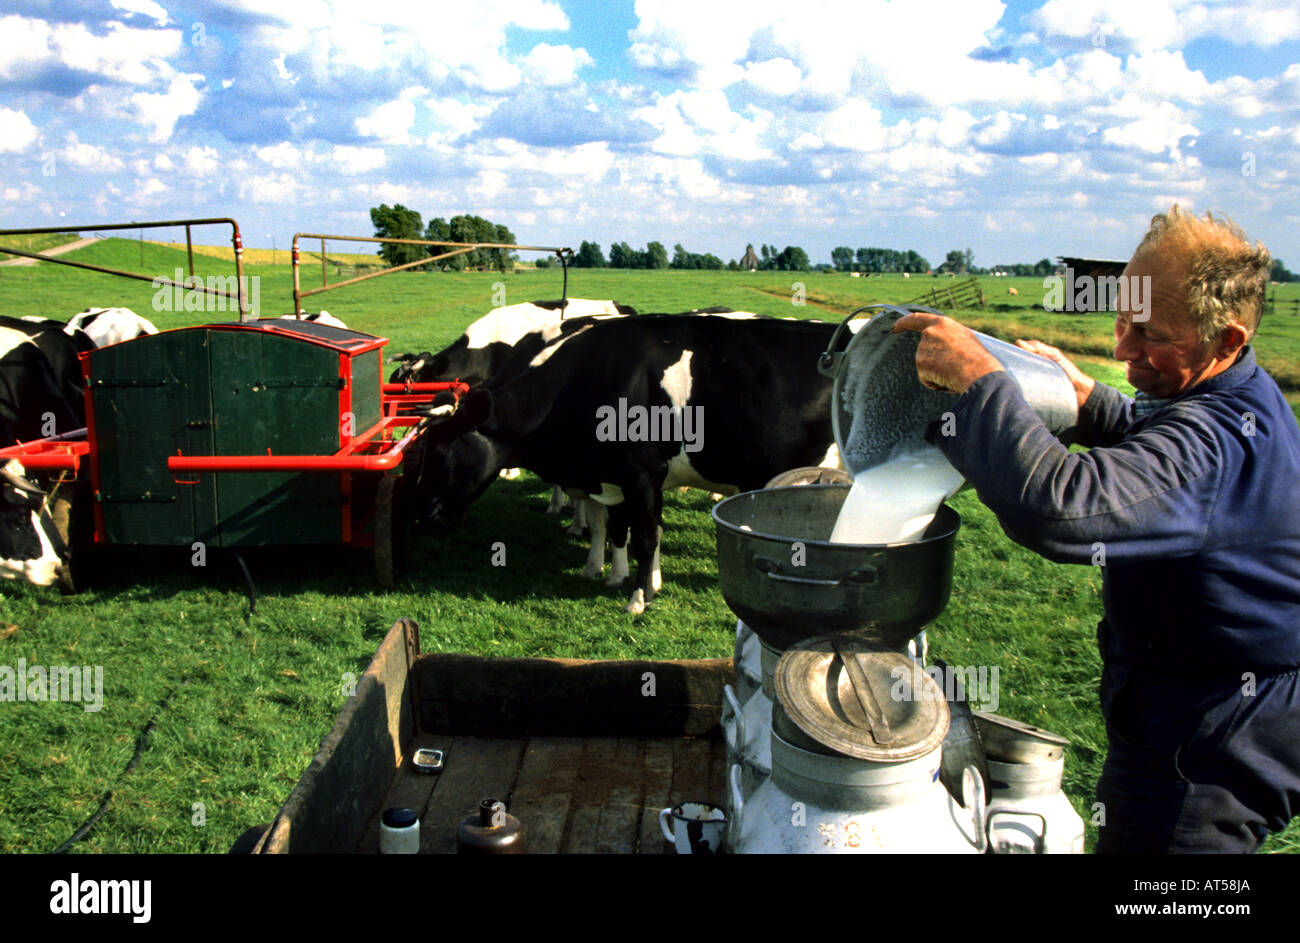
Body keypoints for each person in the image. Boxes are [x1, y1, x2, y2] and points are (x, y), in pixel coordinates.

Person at [893, 206, 1300, 853]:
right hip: (1233, 699)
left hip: (1206, 737)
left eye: (1149, 334)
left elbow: (1058, 505)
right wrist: (1090, 403)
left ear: (1225, 340)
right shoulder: (1239, 395)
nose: (1121, 349)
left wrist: (980, 383)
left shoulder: (1214, 442)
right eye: (1122, 319)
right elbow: (1161, 457)